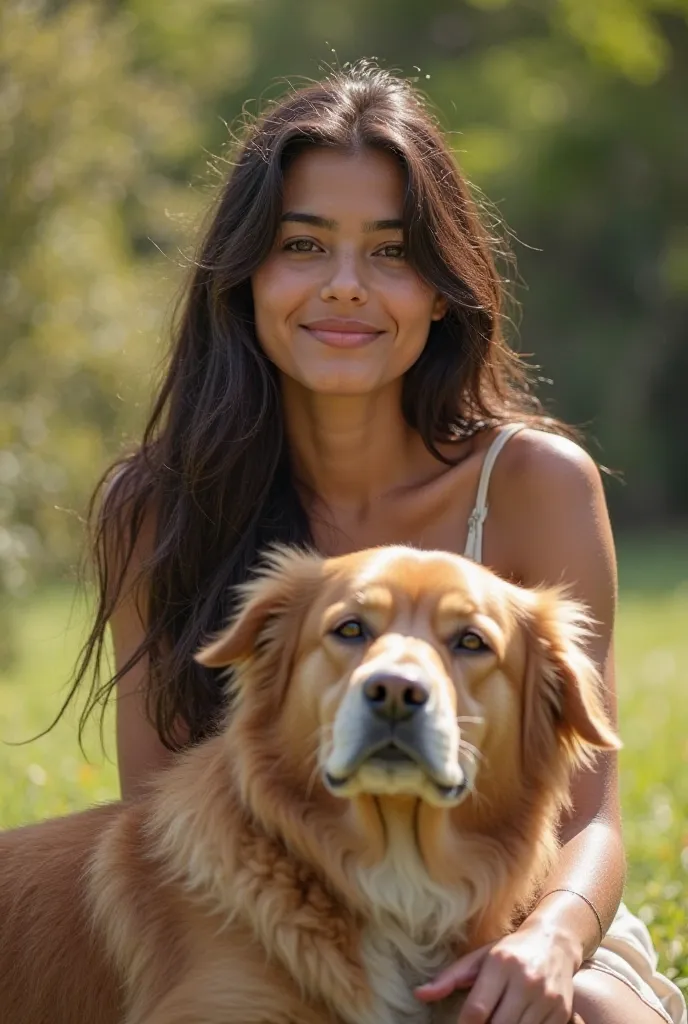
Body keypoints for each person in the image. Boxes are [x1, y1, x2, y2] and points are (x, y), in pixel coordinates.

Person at [69, 63, 686, 1024]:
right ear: (247, 277)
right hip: (259, 925)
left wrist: (552, 937)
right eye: (303, 245)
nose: (346, 288)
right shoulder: (155, 508)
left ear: (441, 290)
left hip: (515, 921)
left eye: (390, 254)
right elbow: (158, 832)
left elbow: (593, 814)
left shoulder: (534, 483)